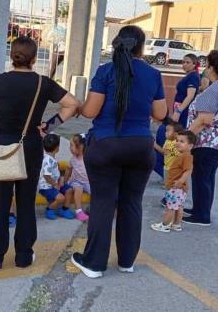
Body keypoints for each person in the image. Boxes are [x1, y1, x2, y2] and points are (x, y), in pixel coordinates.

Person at [70, 25, 167, 279]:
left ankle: (94, 264)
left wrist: (78, 105)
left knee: (103, 203)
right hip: (140, 146)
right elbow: (160, 114)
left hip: (106, 145)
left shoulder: (105, 71)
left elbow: (90, 112)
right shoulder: (153, 74)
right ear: (142, 47)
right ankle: (126, 261)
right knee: (132, 203)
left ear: (116, 43)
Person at [0, 36, 79, 270]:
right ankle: (24, 255)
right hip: (31, 147)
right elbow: (73, 103)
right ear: (34, 59)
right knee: (26, 202)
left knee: (1, 203)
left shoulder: (2, 81)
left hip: (3, 148)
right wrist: (48, 126)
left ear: (12, 56)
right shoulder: (42, 83)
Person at [183, 50, 218, 226]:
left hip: (209, 141)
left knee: (201, 177)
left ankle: (201, 214)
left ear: (211, 67)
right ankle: (201, 208)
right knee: (207, 177)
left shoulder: (215, 90)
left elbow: (203, 120)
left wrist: (186, 137)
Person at [150, 130, 195, 233]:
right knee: (178, 206)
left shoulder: (186, 156)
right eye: (177, 140)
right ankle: (176, 224)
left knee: (170, 207)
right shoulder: (183, 155)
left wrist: (180, 181)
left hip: (176, 187)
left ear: (190, 146)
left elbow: (188, 170)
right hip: (179, 187)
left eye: (182, 141)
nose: (178, 143)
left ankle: (164, 225)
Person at [37, 134, 75, 220]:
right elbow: (46, 175)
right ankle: (49, 209)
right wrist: (55, 184)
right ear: (57, 148)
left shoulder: (52, 158)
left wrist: (60, 179)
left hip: (54, 183)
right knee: (61, 198)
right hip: (46, 187)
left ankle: (65, 209)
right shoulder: (48, 160)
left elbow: (54, 173)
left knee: (69, 190)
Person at [64, 134, 91, 222]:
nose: (70, 148)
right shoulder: (73, 159)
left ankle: (92, 209)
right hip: (76, 181)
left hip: (88, 182)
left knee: (96, 192)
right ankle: (79, 211)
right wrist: (65, 181)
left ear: (81, 147)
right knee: (78, 189)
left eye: (72, 145)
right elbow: (68, 169)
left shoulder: (88, 157)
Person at [171, 54, 200, 129]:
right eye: (183, 62)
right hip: (180, 107)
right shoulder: (189, 76)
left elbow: (190, 96)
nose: (184, 64)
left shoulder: (193, 77)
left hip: (184, 110)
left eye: (187, 62)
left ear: (194, 64)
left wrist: (178, 111)